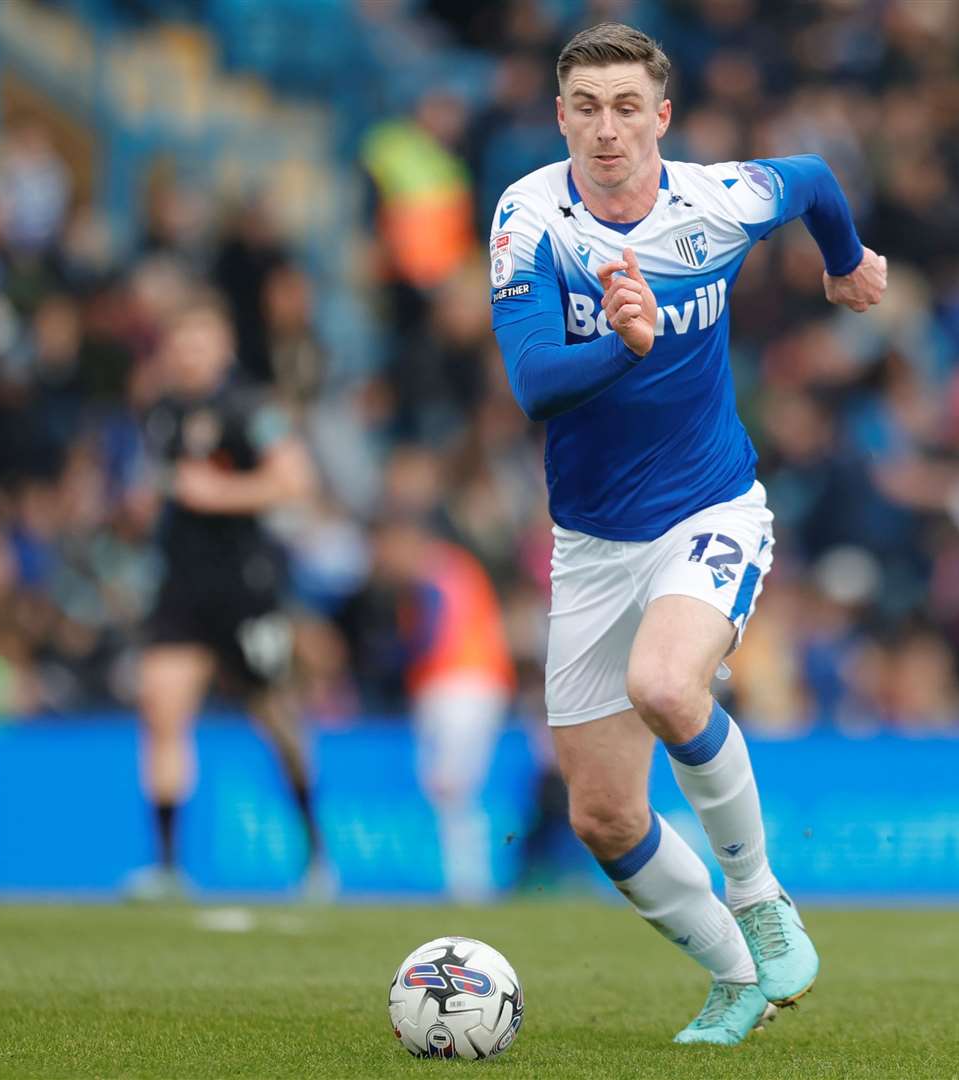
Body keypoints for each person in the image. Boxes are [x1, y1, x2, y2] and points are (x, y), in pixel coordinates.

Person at [488, 23, 886, 1045]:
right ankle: (736, 971)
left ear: (661, 117)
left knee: (667, 687)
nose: (607, 128)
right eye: (586, 107)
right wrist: (626, 347)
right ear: (561, 116)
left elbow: (808, 178)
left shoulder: (713, 201)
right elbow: (533, 381)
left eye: (627, 107)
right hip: (589, 545)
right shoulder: (531, 219)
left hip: (708, 508)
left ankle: (758, 894)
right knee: (603, 817)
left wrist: (845, 264)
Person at [128, 292, 333, 901]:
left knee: (274, 718)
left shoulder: (250, 408)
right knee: (161, 708)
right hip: (180, 586)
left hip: (244, 587)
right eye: (179, 345)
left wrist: (219, 492)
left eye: (199, 343)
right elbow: (169, 486)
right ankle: (167, 868)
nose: (188, 356)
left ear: (222, 347)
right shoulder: (161, 411)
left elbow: (297, 483)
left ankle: (315, 852)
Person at [338, 496, 517, 900]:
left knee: (451, 786)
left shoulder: (434, 568)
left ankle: (469, 884)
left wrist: (382, 659)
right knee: (448, 788)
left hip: (462, 684)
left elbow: (428, 635)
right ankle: (466, 880)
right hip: (465, 684)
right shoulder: (449, 566)